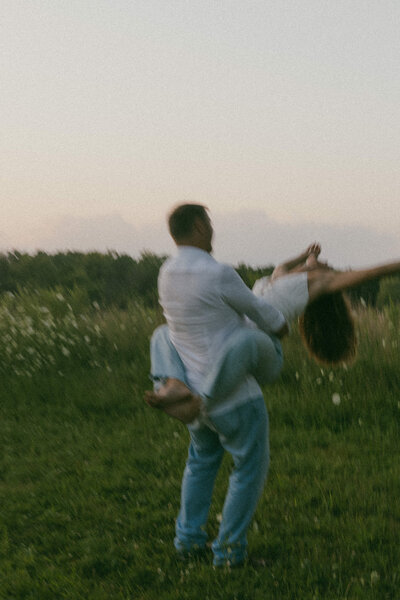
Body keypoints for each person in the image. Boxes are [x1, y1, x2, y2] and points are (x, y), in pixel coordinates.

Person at [147, 203, 288, 567]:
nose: (213, 230)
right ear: (197, 226)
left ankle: (188, 539)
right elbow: (259, 311)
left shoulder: (166, 273)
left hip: (191, 394)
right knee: (248, 468)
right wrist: (281, 326)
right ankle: (228, 553)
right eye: (208, 224)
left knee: (201, 462)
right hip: (234, 396)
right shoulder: (218, 273)